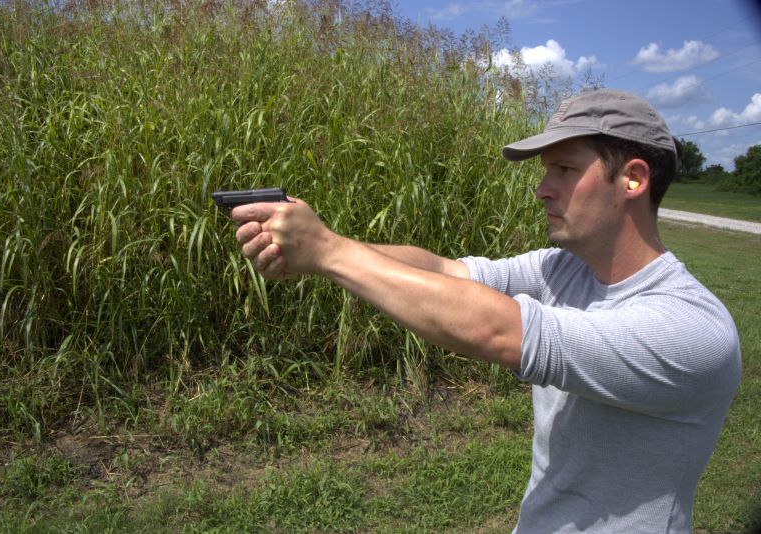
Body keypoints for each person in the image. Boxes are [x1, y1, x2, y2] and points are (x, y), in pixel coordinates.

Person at [231, 88, 742, 533]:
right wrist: (318, 249)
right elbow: (446, 272)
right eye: (546, 171)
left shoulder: (692, 329)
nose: (543, 188)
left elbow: (498, 330)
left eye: (564, 169)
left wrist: (330, 252)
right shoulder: (562, 269)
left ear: (632, 180)